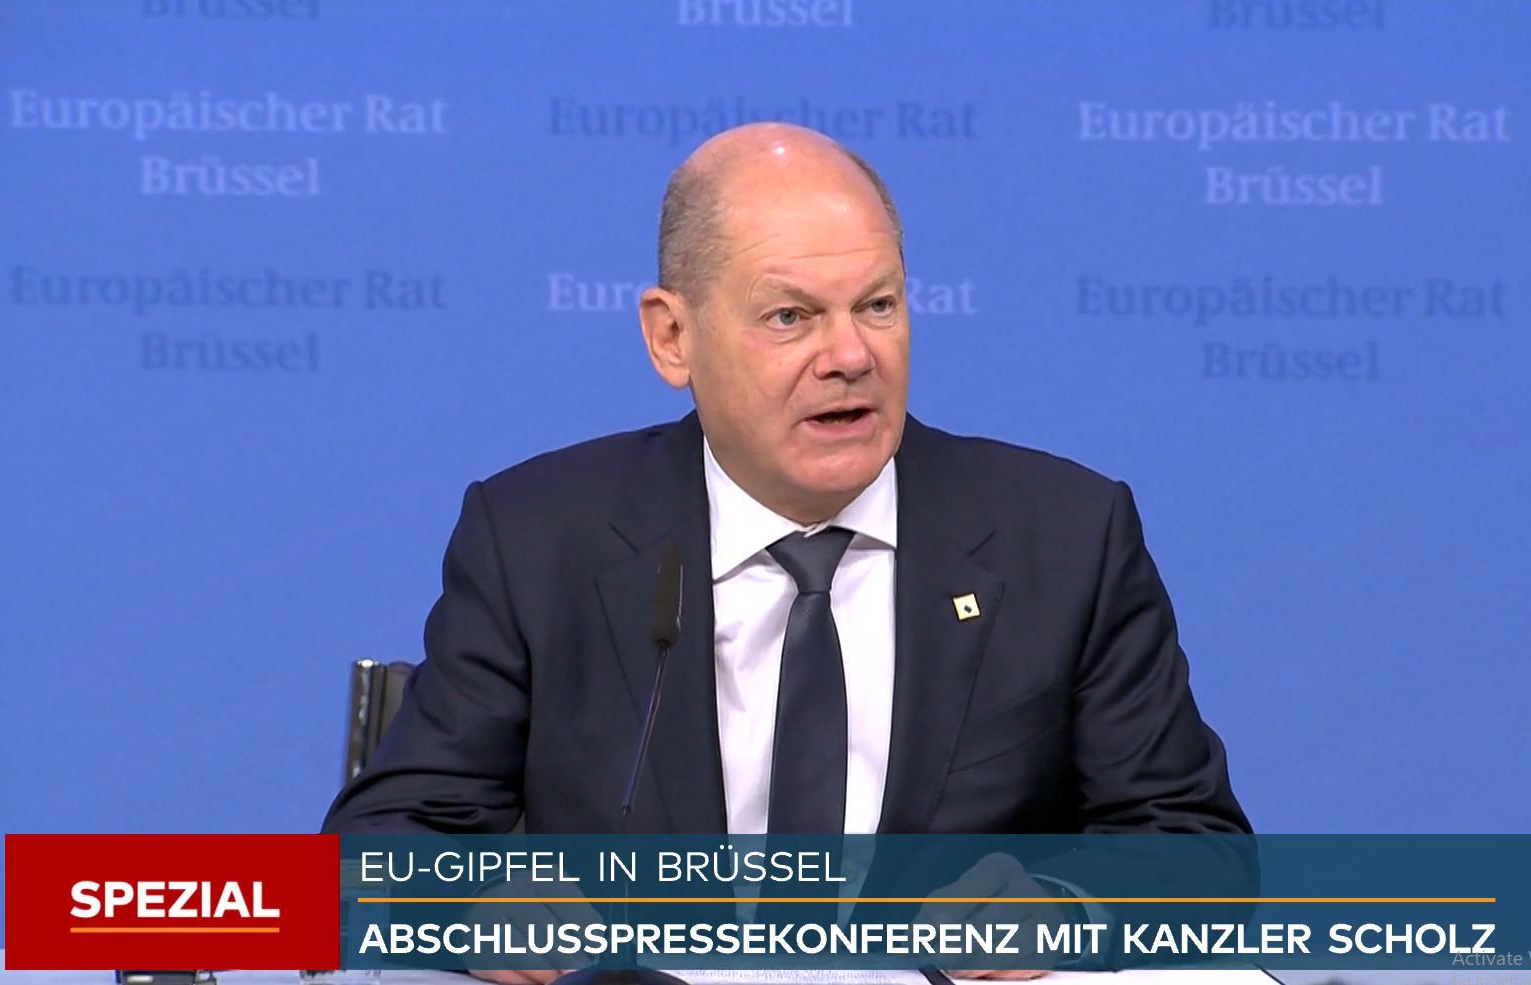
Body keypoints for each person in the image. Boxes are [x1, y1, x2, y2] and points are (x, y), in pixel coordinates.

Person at [323, 123, 1250, 982]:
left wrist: (1065, 910)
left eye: (877, 305)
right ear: (672, 337)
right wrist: (473, 904)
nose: (850, 355)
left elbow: (1195, 846)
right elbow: (381, 841)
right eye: (790, 317)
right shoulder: (539, 537)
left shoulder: (1064, 533)